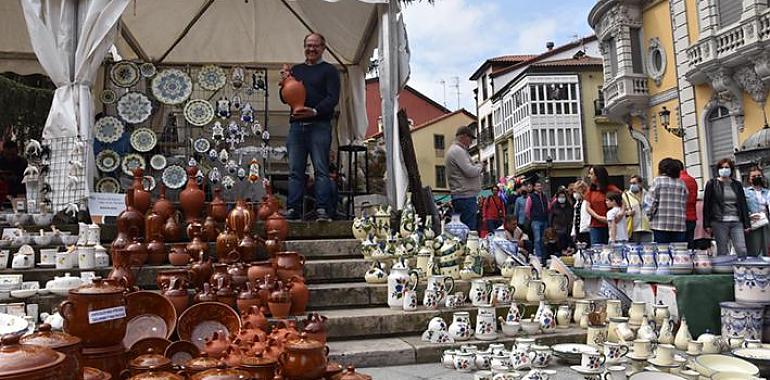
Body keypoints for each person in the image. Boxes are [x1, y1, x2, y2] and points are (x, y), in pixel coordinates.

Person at [282, 33, 341, 222]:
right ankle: (293, 209)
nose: (311, 49)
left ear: (323, 48)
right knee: (295, 171)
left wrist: (315, 111)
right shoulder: (296, 70)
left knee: (321, 170)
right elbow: (285, 98)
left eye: (316, 45)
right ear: (304, 47)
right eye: (308, 45)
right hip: (297, 126)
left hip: (320, 125)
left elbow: (333, 98)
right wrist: (284, 83)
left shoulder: (330, 71)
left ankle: (323, 209)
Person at [703, 158, 751, 257]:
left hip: (736, 220)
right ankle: (725, 270)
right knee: (722, 250)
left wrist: (747, 224)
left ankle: (742, 270)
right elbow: (707, 204)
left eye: (726, 167)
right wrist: (707, 224)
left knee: (741, 249)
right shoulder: (712, 184)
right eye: (722, 167)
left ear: (731, 169)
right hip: (719, 221)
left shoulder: (737, 184)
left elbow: (743, 204)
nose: (724, 169)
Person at [446, 125, 484, 231]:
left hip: (460, 196)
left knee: (461, 230)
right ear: (464, 136)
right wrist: (480, 166)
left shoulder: (455, 151)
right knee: (469, 231)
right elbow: (470, 171)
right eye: (470, 139)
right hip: (465, 197)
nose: (471, 142)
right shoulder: (458, 151)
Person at [646, 158, 688, 243]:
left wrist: (649, 216)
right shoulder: (681, 183)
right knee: (678, 253)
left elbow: (650, 204)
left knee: (663, 253)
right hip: (679, 224)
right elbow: (685, 201)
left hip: (660, 224)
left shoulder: (657, 181)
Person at [585, 165, 621, 245]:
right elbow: (587, 207)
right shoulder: (590, 191)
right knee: (596, 249)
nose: (589, 176)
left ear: (598, 175)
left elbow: (622, 200)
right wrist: (598, 217)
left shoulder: (611, 188)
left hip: (611, 224)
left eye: (591, 174)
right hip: (596, 225)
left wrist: (620, 214)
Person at [744, 166, 769, 256]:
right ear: (749, 179)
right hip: (754, 222)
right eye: (753, 177)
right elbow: (742, 207)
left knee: (767, 247)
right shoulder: (745, 192)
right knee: (754, 248)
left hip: (766, 222)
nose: (756, 178)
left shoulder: (767, 192)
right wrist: (749, 215)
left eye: (759, 175)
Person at [525, 181, 550, 263]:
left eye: (540, 186)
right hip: (535, 221)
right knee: (537, 239)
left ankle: (544, 257)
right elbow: (527, 210)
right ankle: (539, 257)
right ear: (534, 187)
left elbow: (548, 207)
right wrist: (532, 218)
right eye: (538, 186)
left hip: (544, 220)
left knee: (544, 239)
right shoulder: (531, 197)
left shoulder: (544, 197)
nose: (540, 187)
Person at [623, 175, 652, 243]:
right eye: (631, 183)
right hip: (633, 228)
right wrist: (627, 213)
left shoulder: (647, 194)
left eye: (634, 183)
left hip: (647, 228)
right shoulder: (625, 195)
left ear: (640, 183)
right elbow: (620, 211)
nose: (632, 185)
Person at [677, 160, 699, 248]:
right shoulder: (692, 180)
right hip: (692, 216)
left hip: (680, 217)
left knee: (681, 247)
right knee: (690, 244)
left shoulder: (678, 181)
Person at [549, 188, 574, 253]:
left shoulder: (569, 206)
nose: (561, 198)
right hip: (557, 229)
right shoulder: (554, 206)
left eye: (563, 197)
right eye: (560, 197)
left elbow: (571, 216)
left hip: (568, 228)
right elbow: (551, 217)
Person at [571, 180, 592, 245]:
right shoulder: (577, 202)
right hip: (578, 228)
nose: (574, 194)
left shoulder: (587, 201)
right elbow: (575, 217)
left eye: (576, 191)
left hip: (586, 229)